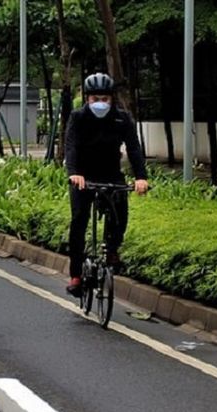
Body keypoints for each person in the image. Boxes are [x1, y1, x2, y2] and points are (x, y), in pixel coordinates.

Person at [65, 72, 149, 297]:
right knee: (79, 221)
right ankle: (75, 274)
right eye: (95, 99)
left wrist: (141, 177)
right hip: (83, 176)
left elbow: (134, 148)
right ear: (87, 99)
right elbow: (71, 146)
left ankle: (112, 250)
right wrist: (74, 173)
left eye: (105, 98)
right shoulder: (78, 117)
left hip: (111, 173)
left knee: (120, 211)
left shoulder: (122, 119)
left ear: (112, 99)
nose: (100, 103)